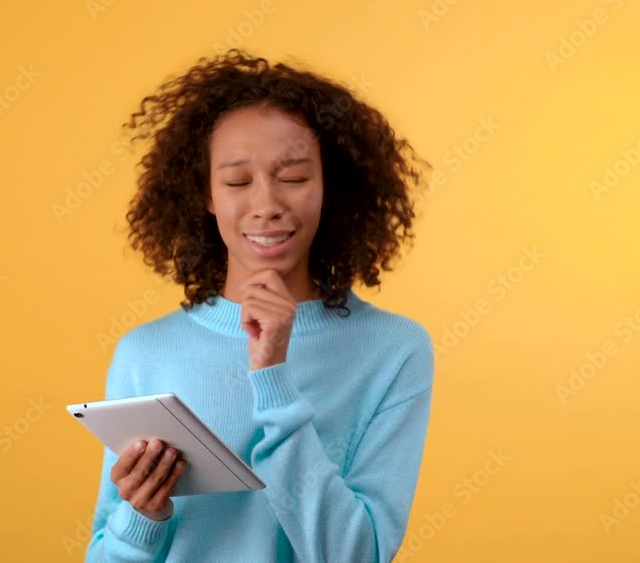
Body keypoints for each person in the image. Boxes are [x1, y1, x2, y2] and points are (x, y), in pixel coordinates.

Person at [85, 49, 436, 562]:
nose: (267, 204)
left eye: (293, 178)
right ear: (205, 193)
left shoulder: (394, 350)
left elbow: (355, 554)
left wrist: (271, 376)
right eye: (237, 182)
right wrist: (141, 516)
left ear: (328, 188)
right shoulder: (145, 352)